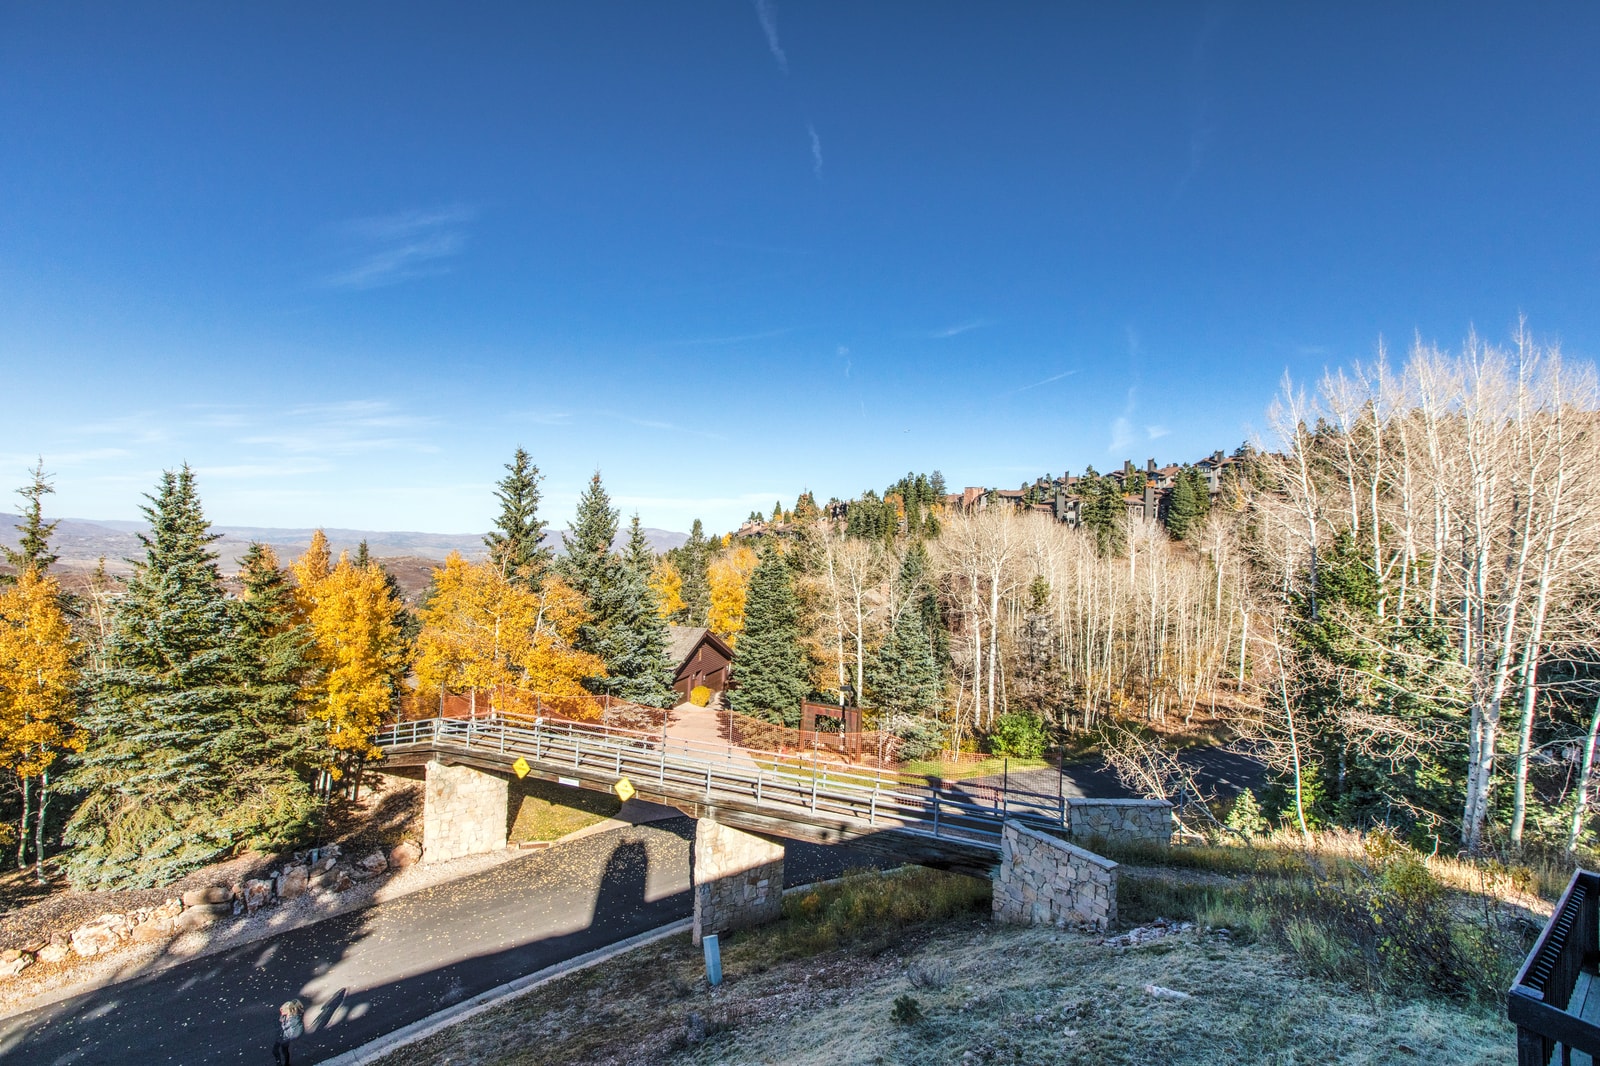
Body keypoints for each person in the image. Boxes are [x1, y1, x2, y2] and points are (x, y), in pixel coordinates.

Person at [273, 998, 305, 1065]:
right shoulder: (285, 1016)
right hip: (282, 1036)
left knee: (284, 1050)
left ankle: (286, 1064)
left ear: (288, 1010)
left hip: (287, 1037)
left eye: (283, 1009)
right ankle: (282, 1063)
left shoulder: (294, 1020)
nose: (281, 1010)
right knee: (276, 1050)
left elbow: (292, 1031)